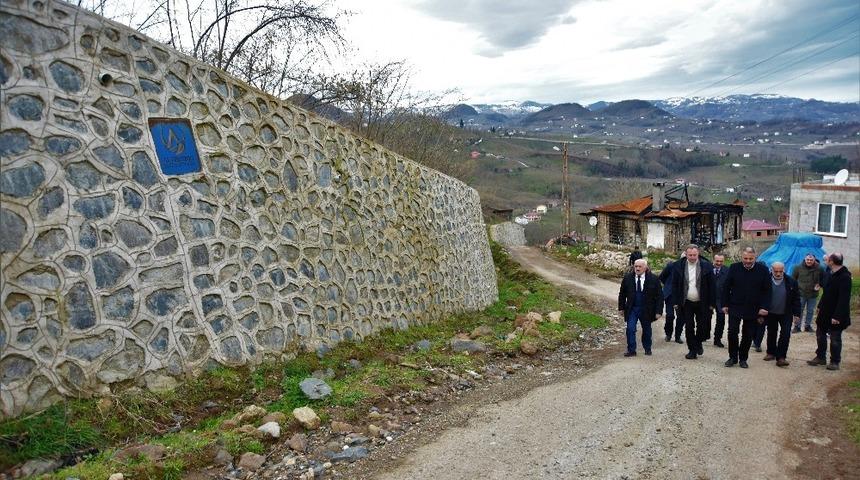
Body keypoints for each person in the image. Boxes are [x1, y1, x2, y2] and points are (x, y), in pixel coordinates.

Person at [722, 246, 771, 368]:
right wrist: (725, 304)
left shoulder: (763, 270)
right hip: (735, 306)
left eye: (751, 258)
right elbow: (726, 287)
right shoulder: (734, 268)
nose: (748, 261)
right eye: (745, 258)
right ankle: (732, 357)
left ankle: (743, 358)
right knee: (732, 332)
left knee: (748, 334)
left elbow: (767, 291)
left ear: (755, 257)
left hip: (753, 308)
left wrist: (764, 307)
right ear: (741, 257)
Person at [807, 253, 852, 371]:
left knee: (835, 338)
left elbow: (844, 298)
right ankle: (821, 357)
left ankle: (835, 361)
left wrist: (837, 316)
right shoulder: (829, 273)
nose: (825, 261)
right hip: (825, 311)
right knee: (820, 334)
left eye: (828, 259)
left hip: (837, 313)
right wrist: (820, 305)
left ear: (831, 261)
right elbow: (827, 293)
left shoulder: (845, 277)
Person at [671, 244, 715, 359]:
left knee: (702, 326)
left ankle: (698, 342)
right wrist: (675, 302)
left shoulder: (707, 266)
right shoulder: (678, 266)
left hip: (702, 302)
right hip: (686, 302)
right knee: (689, 327)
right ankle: (692, 350)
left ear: (698, 254)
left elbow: (712, 286)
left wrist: (712, 303)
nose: (692, 257)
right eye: (690, 255)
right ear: (686, 254)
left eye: (694, 255)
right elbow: (674, 285)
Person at [618, 258, 663, 356]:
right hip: (632, 308)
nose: (637, 269)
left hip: (646, 309)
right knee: (630, 329)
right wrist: (621, 308)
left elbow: (660, 296)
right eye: (636, 266)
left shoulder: (653, 279)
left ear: (645, 267)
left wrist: (658, 311)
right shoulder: (627, 278)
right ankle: (631, 350)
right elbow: (622, 294)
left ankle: (647, 348)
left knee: (647, 329)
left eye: (640, 266)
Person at [763, 262, 801, 367]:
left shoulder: (791, 282)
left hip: (786, 313)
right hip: (770, 312)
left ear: (784, 269)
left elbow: (796, 299)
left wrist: (797, 314)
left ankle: (781, 357)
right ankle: (770, 352)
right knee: (771, 332)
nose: (778, 273)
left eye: (781, 271)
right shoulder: (765, 281)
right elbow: (760, 296)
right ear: (771, 270)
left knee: (785, 334)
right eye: (776, 271)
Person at [791, 253, 823, 333]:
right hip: (801, 293)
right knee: (799, 310)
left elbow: (823, 279)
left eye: (811, 260)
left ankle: (807, 326)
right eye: (807, 259)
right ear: (804, 259)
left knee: (810, 310)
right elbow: (793, 280)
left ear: (814, 260)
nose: (809, 261)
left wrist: (820, 284)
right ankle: (797, 326)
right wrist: (794, 291)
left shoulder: (820, 268)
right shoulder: (797, 267)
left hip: (813, 294)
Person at [659, 258, 684, 343]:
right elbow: (662, 277)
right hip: (670, 295)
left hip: (681, 296)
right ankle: (668, 334)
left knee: (680, 317)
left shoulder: (688, 268)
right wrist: (668, 285)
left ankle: (678, 336)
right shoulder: (671, 266)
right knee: (670, 315)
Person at [712, 254, 728, 348]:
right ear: (713, 260)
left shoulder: (727, 270)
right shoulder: (708, 269)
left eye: (721, 261)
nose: (719, 263)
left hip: (721, 299)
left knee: (721, 320)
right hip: (709, 298)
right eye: (717, 261)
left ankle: (717, 339)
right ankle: (703, 335)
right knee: (705, 319)